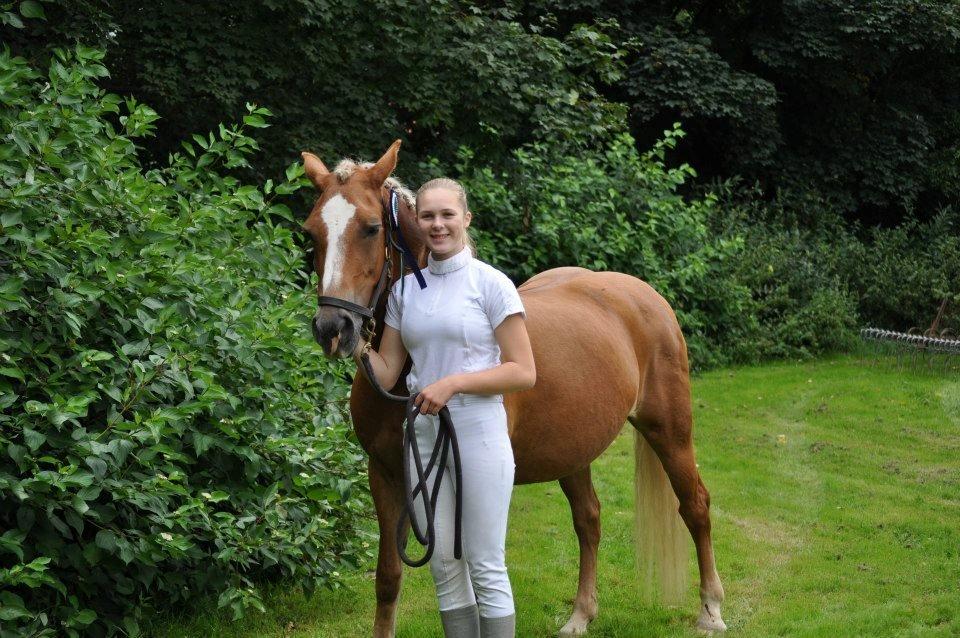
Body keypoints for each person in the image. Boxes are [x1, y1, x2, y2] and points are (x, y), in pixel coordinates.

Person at [359, 177, 536, 638]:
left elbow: (523, 371)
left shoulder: (491, 284)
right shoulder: (404, 293)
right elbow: (389, 369)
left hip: (477, 429)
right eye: (428, 216)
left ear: (466, 219)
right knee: (442, 561)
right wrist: (354, 346)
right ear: (416, 221)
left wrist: (453, 384)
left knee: (484, 561)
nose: (437, 225)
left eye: (447, 215)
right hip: (424, 435)